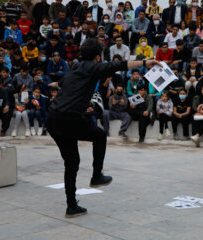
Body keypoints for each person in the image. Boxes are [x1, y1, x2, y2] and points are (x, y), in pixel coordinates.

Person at [46, 38, 160, 217]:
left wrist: (55, 84)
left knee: (71, 162)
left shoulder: (75, 67)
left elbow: (65, 82)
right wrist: (146, 62)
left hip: (53, 119)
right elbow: (120, 65)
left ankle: (71, 206)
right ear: (98, 57)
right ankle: (97, 175)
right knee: (99, 136)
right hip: (70, 119)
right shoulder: (94, 67)